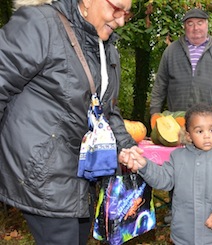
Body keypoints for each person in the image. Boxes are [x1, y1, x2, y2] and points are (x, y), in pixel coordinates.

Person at [0, 0, 142, 244]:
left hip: (83, 175)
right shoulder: (41, 25)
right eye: (116, 8)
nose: (120, 20)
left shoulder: (106, 46)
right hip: (43, 174)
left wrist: (127, 146)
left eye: (126, 14)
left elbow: (106, 110)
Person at [150, 8, 212, 223]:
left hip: (208, 123)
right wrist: (154, 113)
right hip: (177, 122)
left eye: (200, 23)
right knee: (179, 166)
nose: (195, 28)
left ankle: (208, 210)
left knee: (208, 168)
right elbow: (160, 84)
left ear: (207, 25)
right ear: (184, 27)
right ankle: (176, 210)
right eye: (190, 24)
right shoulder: (171, 52)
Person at [120, 103, 212, 245]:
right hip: (185, 234)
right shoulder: (178, 157)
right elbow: (164, 179)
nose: (207, 136)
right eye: (199, 131)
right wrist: (144, 165)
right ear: (188, 135)